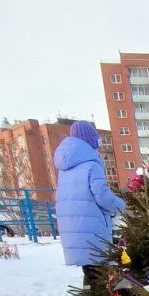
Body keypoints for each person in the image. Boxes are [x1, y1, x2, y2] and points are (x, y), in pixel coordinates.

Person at [54, 121, 125, 286]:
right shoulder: (92, 164)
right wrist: (122, 206)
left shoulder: (65, 168)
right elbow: (102, 197)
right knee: (101, 274)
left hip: (74, 229)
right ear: (91, 140)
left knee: (90, 272)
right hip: (93, 228)